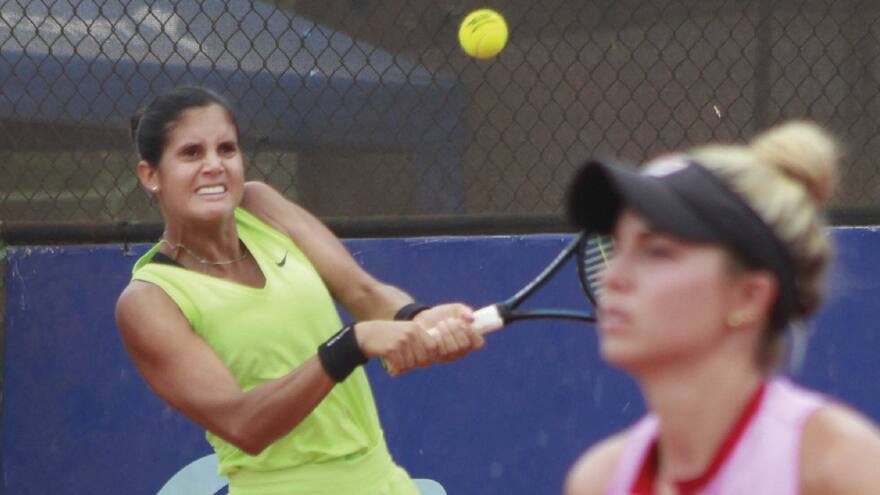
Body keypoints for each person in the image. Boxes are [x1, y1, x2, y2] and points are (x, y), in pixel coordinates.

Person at [115, 86, 484, 495]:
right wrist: (351, 344)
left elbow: (363, 292)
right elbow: (243, 424)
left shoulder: (260, 205)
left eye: (227, 149)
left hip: (384, 481)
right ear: (151, 175)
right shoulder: (150, 300)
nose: (214, 165)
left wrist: (415, 317)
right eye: (191, 154)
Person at [563, 121, 880, 495]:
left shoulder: (838, 466)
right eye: (618, 246)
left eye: (657, 251)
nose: (612, 277)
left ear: (748, 296)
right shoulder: (599, 480)